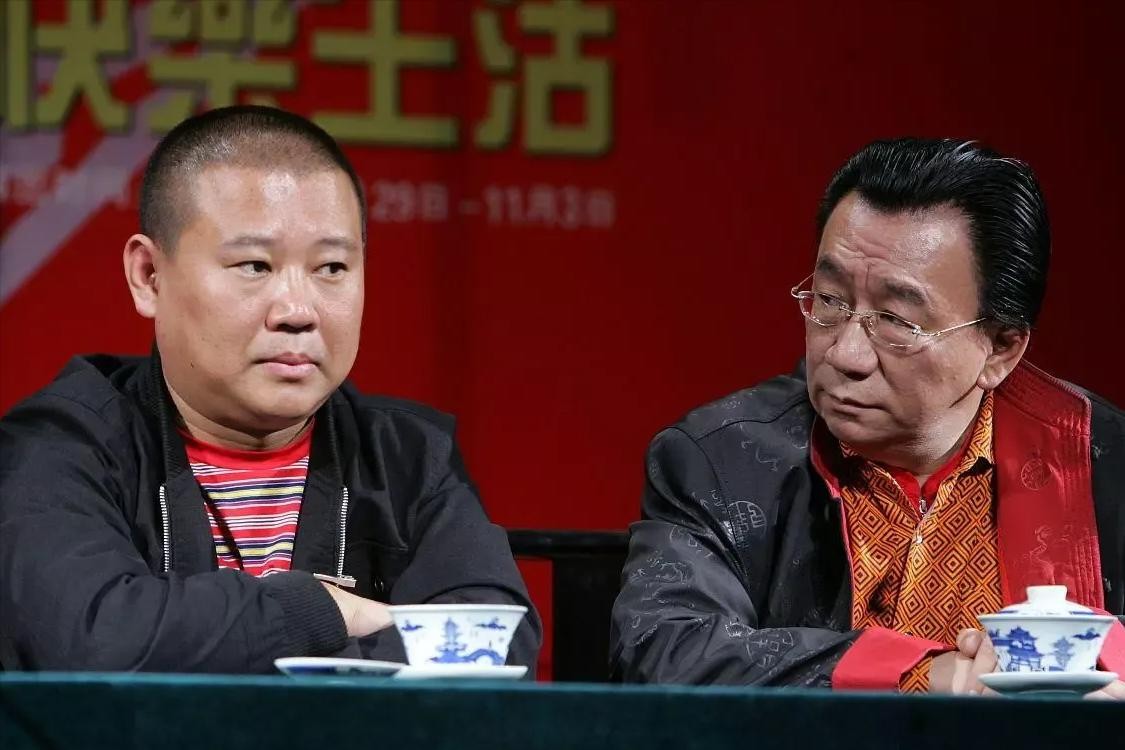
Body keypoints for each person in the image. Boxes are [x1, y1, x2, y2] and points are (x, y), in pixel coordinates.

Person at [0, 105, 540, 672]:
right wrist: (321, 610)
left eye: (331, 268)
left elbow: (494, 642)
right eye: (255, 265)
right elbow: (97, 639)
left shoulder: (406, 458)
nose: (298, 311)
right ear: (149, 277)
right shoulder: (61, 447)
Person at [610, 138, 1124, 697]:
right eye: (830, 300)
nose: (845, 354)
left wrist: (1104, 671)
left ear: (1000, 348)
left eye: (896, 320)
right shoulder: (719, 460)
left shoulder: (1104, 461)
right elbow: (663, 650)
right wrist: (926, 674)